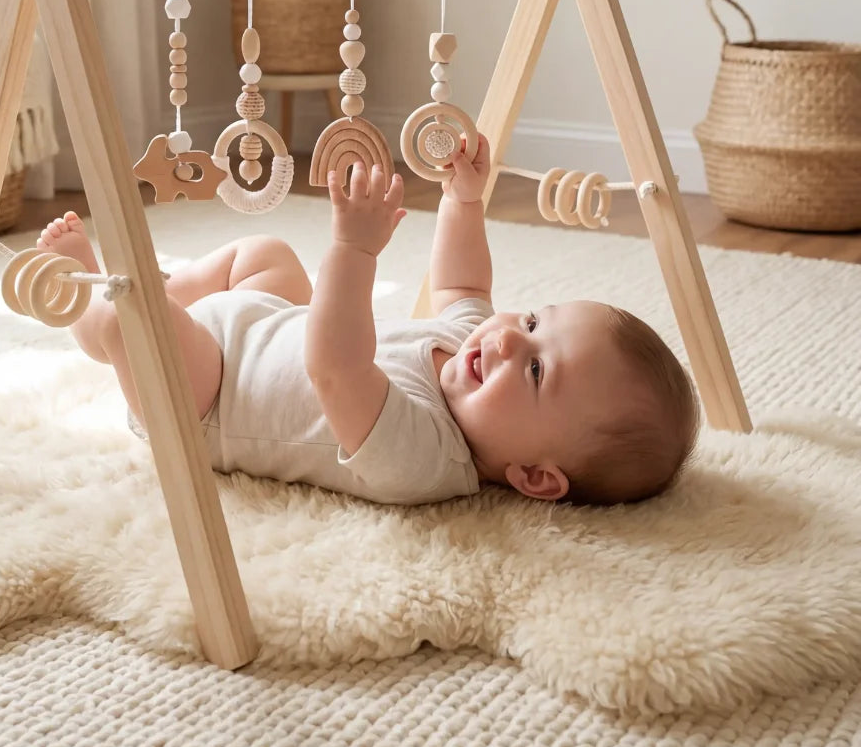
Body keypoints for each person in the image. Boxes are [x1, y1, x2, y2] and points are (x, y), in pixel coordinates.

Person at [36, 136, 699, 507]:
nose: (505, 337)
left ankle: (90, 299)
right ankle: (173, 289)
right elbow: (464, 282)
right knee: (266, 255)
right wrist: (463, 201)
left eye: (533, 368)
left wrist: (353, 250)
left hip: (206, 402)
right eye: (530, 320)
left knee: (135, 326)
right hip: (270, 325)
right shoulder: (468, 351)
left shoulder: (424, 459)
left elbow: (335, 367)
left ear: (535, 477)